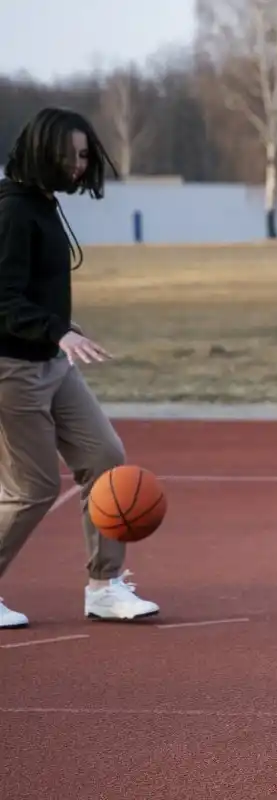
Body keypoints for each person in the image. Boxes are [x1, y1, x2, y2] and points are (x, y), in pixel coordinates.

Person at [0, 107, 159, 628]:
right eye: (69, 154)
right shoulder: (12, 210)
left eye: (84, 154)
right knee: (32, 488)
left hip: (50, 360)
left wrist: (63, 328)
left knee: (106, 458)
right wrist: (57, 329)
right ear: (41, 151)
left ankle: (104, 586)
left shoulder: (44, 204)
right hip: (11, 368)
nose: (77, 164)